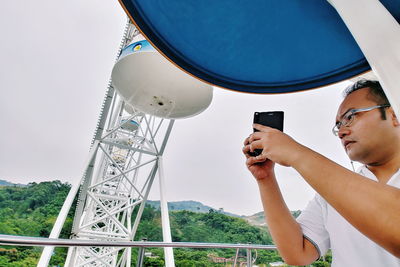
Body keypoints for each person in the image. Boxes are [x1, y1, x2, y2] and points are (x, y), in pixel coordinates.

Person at [243, 80, 400, 266]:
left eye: (350, 116)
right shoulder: (331, 192)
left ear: (394, 114)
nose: (341, 131)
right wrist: (266, 178)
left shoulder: (334, 186)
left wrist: (296, 152)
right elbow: (297, 253)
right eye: (338, 125)